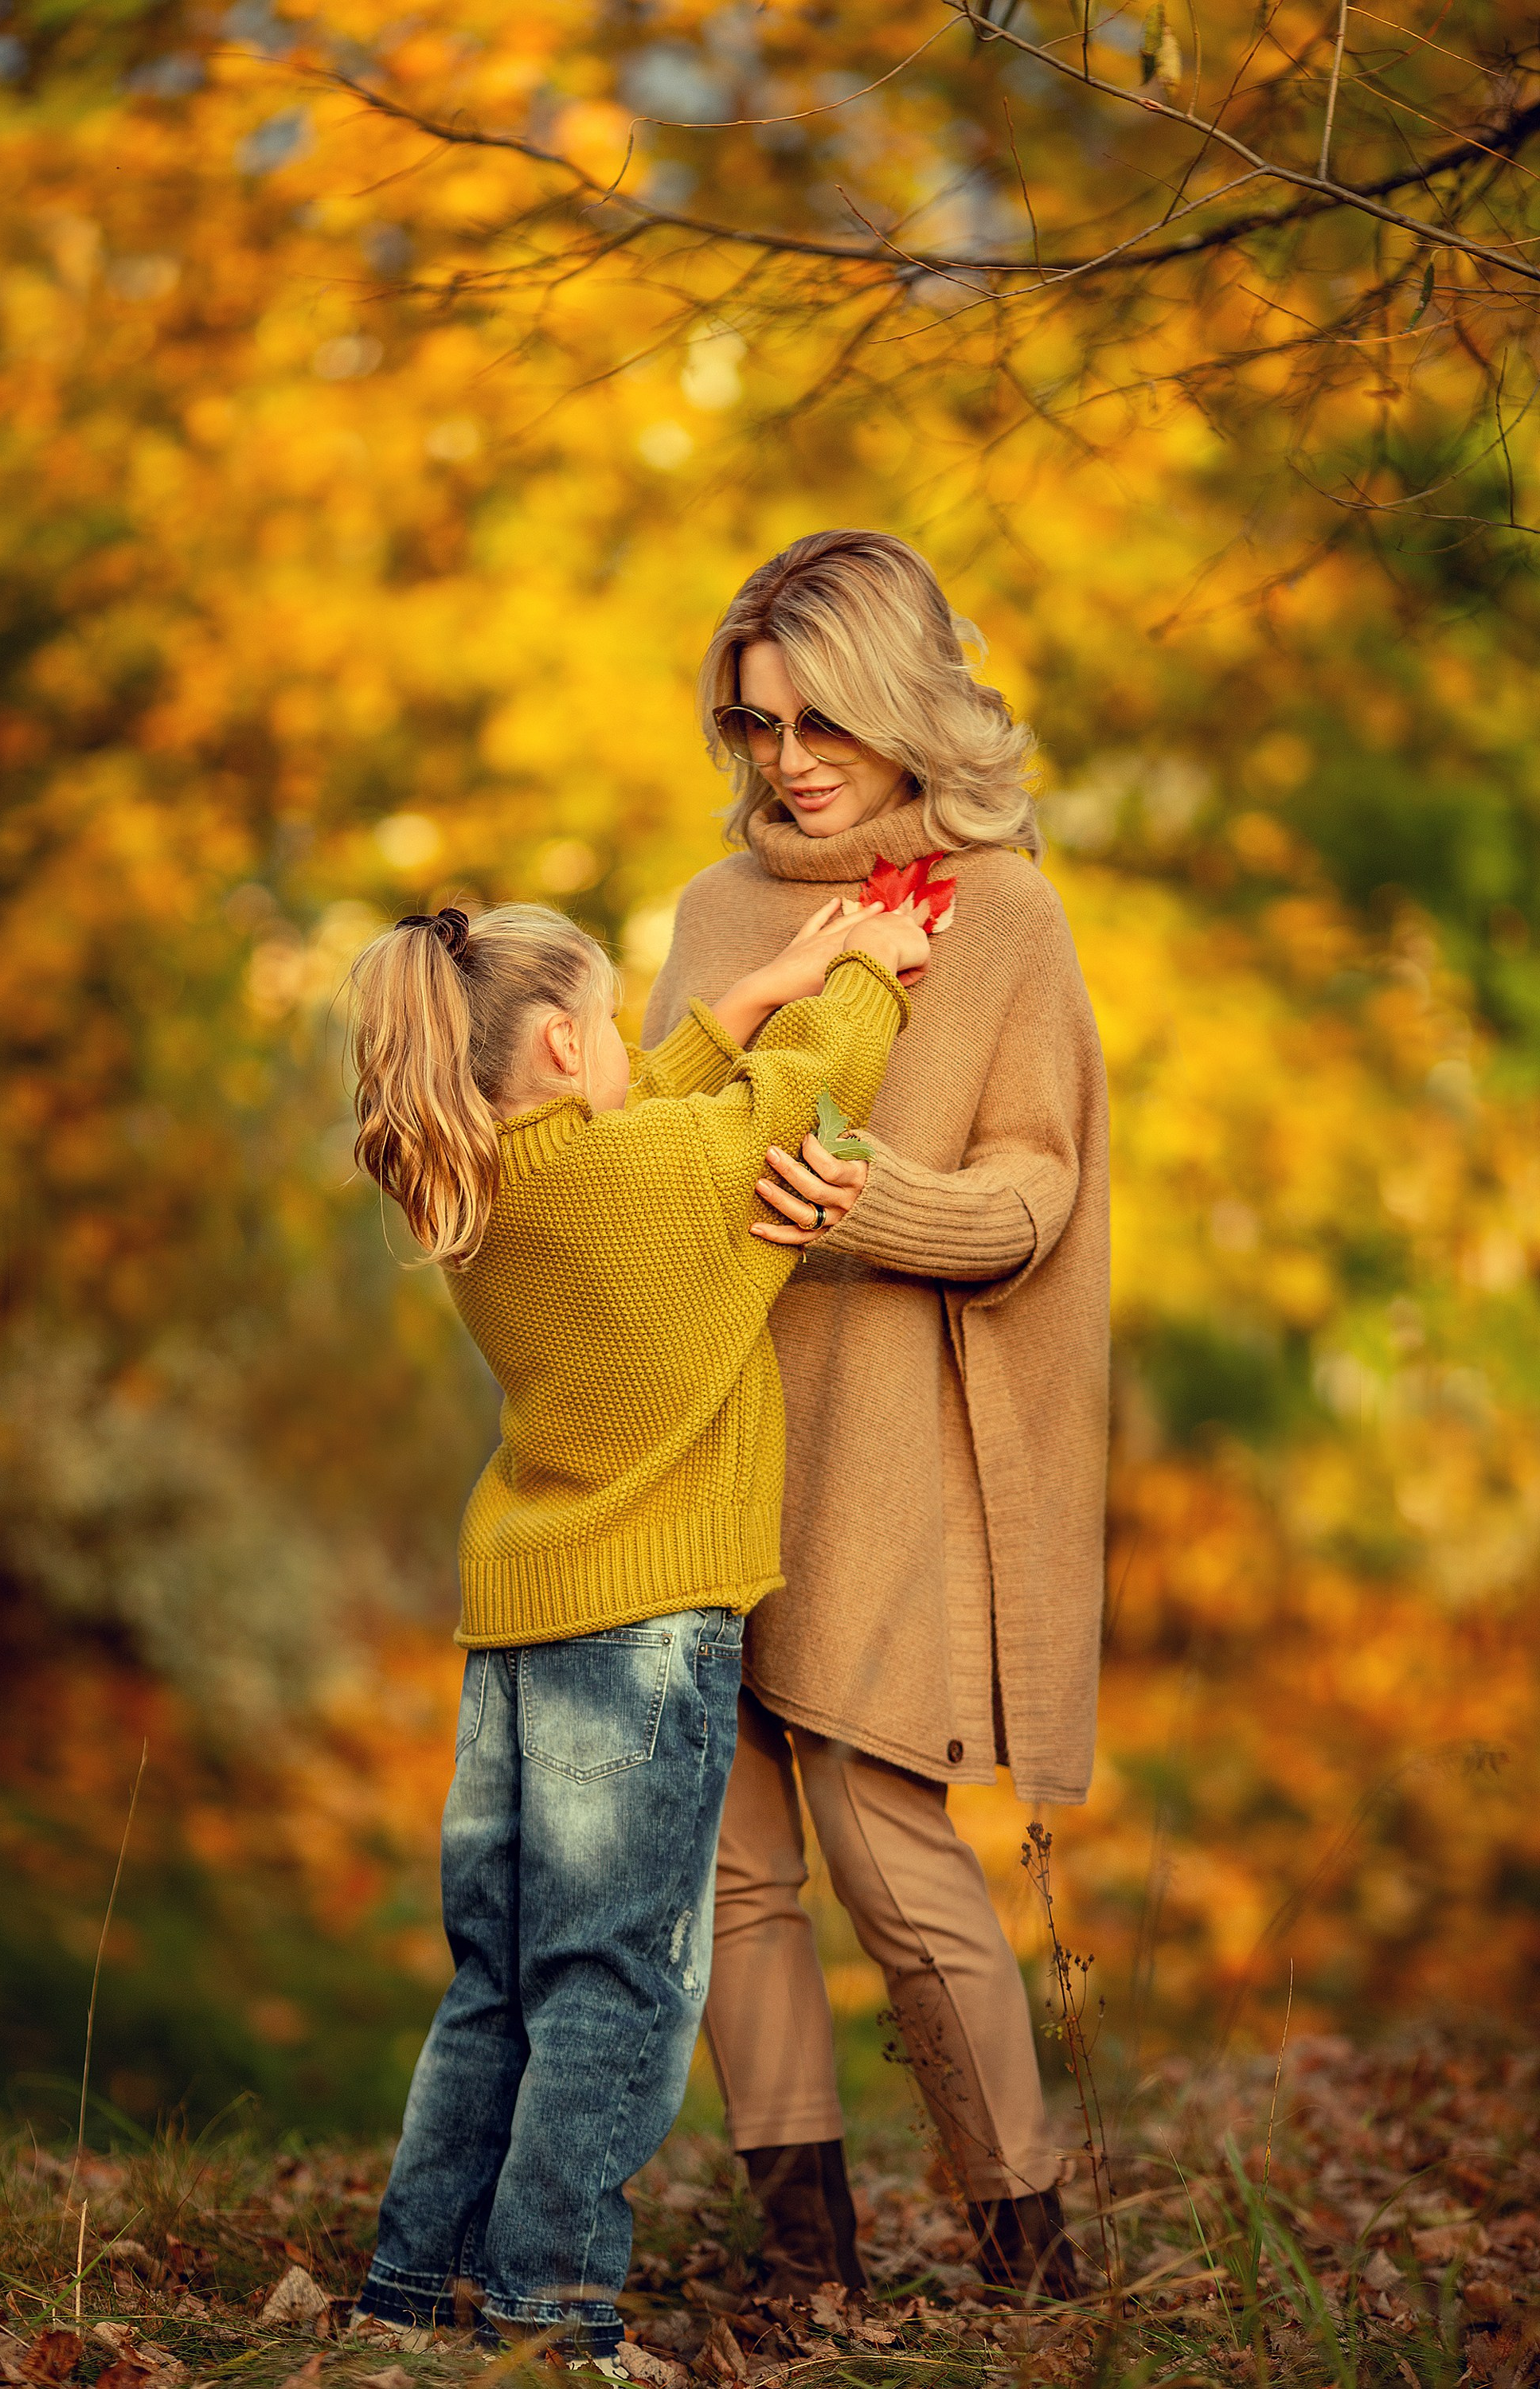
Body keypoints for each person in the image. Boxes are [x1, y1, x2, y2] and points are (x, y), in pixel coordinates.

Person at [345, 891, 928, 2365]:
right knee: (616, 1982)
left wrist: (753, 988)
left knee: (500, 1979)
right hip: (640, 1636)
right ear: (556, 1040)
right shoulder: (648, 1184)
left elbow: (650, 1119)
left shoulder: (492, 1189)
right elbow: (795, 1107)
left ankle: (412, 2289)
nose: (630, 1045)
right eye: (607, 1023)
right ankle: (552, 2307)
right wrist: (862, 976)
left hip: (522, 1633)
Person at [643, 530, 1110, 2304]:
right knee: (734, 1868)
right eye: (755, 726)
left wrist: (863, 1199)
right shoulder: (708, 912)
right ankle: (802, 2254)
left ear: (907, 703)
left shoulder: (1002, 910)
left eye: (822, 717)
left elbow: (1034, 1197)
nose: (790, 760)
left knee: (885, 1850)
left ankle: (1026, 2244)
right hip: (705, 1433)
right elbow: (666, 1155)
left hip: (887, 1458)